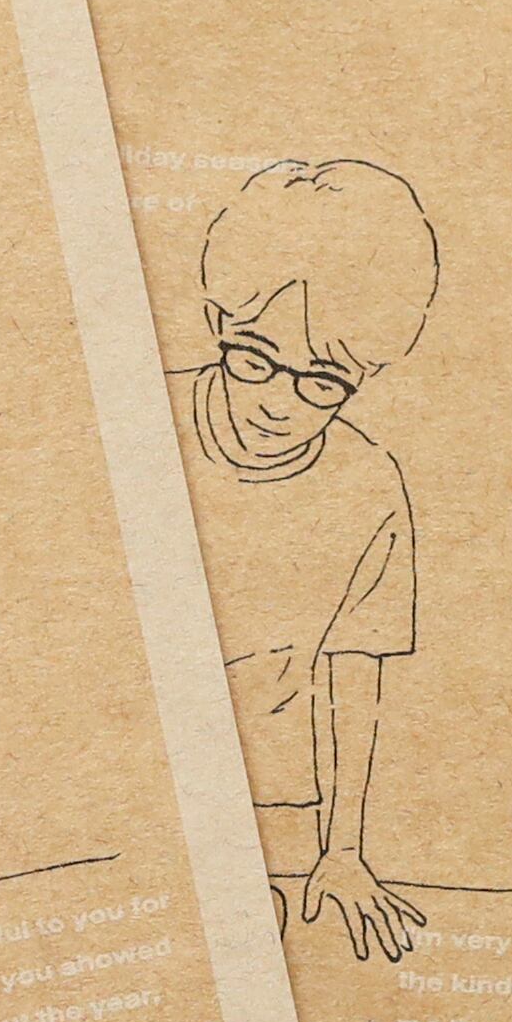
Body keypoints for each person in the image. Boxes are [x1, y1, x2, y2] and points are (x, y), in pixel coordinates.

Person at [171, 159, 440, 964]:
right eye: (255, 359)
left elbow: (353, 673)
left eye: (322, 382)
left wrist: (342, 849)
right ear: (217, 322)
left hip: (269, 807)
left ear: (364, 376)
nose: (278, 402)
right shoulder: (140, 413)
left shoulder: (369, 485)